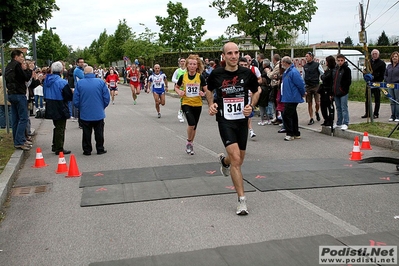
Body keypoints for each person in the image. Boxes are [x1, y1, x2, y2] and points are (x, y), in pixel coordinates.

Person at [206, 42, 260, 215]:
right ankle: (242, 201)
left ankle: (224, 162)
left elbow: (257, 91)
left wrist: (251, 105)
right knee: (236, 159)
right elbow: (208, 89)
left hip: (241, 121)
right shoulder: (216, 74)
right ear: (224, 56)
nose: (234, 56)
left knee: (238, 159)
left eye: (236, 52)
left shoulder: (246, 73)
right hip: (225, 120)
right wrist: (211, 104)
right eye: (230, 53)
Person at [174, 55, 208, 155]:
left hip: (197, 104)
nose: (192, 66)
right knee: (191, 123)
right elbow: (176, 87)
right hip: (186, 103)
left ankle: (190, 143)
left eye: (194, 64)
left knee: (194, 126)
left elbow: (206, 90)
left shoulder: (200, 77)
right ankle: (189, 141)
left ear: (197, 66)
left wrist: (203, 93)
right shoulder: (183, 76)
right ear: (187, 65)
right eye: (190, 64)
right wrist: (179, 92)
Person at [73, 66, 110, 156]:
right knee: (99, 131)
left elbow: (76, 99)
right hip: (98, 111)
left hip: (85, 112)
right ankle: (100, 148)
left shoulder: (80, 83)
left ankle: (87, 149)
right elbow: (106, 97)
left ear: (84, 73)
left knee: (86, 132)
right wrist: (102, 106)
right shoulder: (100, 82)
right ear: (93, 72)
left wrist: (80, 107)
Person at [5, 50, 33, 150]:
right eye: (21, 56)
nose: (22, 58)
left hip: (11, 94)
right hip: (19, 94)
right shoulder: (17, 65)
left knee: (15, 119)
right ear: (16, 57)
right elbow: (25, 77)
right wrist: (29, 70)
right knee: (23, 118)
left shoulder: (8, 66)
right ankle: (20, 141)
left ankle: (17, 140)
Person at [43, 61, 73, 155]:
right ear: (61, 71)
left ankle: (55, 145)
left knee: (57, 126)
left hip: (50, 103)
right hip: (59, 104)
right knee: (60, 127)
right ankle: (59, 148)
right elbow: (68, 96)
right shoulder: (62, 82)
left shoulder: (46, 80)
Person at [280, 56, 305, 141]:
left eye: (282, 62)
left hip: (292, 97)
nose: (281, 64)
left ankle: (290, 133)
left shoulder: (293, 72)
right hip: (288, 96)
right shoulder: (287, 72)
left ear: (285, 63)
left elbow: (300, 84)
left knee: (286, 114)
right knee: (293, 115)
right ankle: (295, 132)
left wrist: (302, 93)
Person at [361, 49, 386, 119]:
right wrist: (365, 76)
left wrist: (374, 76)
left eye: (376, 54)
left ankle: (376, 113)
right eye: (373, 54)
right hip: (369, 83)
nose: (374, 55)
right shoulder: (368, 62)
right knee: (367, 98)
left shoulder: (382, 63)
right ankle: (367, 113)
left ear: (378, 55)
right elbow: (365, 71)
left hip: (377, 83)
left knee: (377, 99)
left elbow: (382, 74)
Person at [303, 51, 324, 125]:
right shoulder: (305, 66)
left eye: (307, 56)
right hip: (308, 86)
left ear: (311, 57)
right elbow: (303, 77)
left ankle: (317, 111)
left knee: (318, 102)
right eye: (305, 56)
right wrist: (304, 86)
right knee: (309, 103)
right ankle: (311, 118)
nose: (306, 58)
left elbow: (322, 73)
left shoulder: (317, 65)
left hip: (316, 85)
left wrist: (322, 81)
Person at [333, 54, 352, 131]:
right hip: (336, 92)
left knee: (344, 107)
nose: (340, 62)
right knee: (338, 108)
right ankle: (339, 122)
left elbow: (348, 81)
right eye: (339, 61)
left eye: (341, 60)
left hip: (343, 92)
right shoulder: (336, 69)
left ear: (344, 60)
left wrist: (343, 89)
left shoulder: (346, 69)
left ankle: (345, 122)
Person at [319, 55, 336, 127]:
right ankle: (326, 119)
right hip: (324, 90)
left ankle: (330, 119)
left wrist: (331, 93)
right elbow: (323, 77)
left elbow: (329, 80)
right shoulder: (328, 70)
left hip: (329, 90)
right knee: (323, 106)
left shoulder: (333, 71)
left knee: (329, 105)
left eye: (326, 61)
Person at [384, 51, 399, 122]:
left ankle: (397, 116)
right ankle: (392, 115)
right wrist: (386, 80)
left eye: (396, 56)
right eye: (393, 57)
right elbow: (385, 74)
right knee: (391, 101)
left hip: (397, 85)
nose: (394, 58)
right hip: (389, 85)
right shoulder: (389, 66)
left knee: (397, 100)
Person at [172, 58, 187, 123]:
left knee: (186, 101)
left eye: (184, 61)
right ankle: (180, 112)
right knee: (183, 100)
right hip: (180, 88)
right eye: (181, 61)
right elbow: (173, 79)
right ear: (179, 63)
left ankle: (182, 111)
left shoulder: (188, 70)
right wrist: (179, 82)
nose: (183, 62)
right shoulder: (177, 71)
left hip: (186, 88)